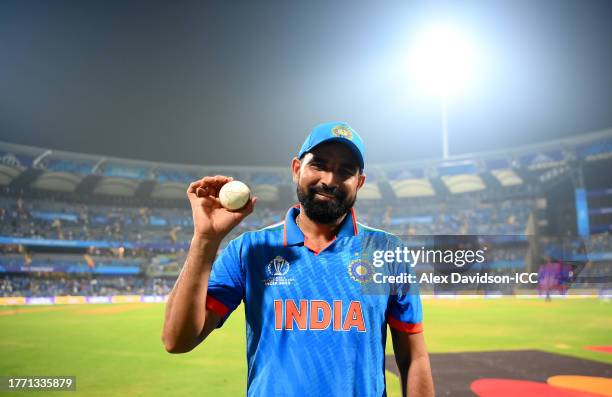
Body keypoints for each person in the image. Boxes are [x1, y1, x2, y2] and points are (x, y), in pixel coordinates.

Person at [162, 122, 434, 397]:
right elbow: (177, 340)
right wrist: (205, 240)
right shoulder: (249, 249)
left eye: (345, 171)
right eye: (319, 165)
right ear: (296, 169)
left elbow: (414, 359)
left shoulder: (387, 251)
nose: (329, 180)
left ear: (359, 182)